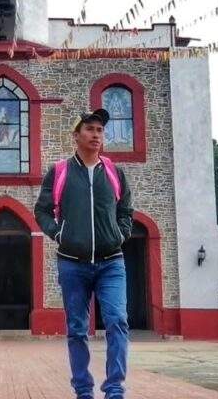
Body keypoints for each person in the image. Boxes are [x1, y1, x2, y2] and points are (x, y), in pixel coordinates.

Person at [34, 109, 134, 399]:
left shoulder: (115, 172)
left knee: (117, 321)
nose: (96, 135)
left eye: (100, 130)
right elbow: (41, 210)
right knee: (77, 329)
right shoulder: (60, 171)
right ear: (76, 135)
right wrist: (58, 233)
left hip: (111, 262)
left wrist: (121, 234)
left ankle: (114, 389)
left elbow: (126, 211)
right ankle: (83, 390)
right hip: (72, 264)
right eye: (89, 129)